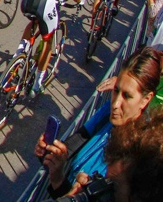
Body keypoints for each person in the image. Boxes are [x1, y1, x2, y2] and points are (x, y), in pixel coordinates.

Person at [35, 47, 161, 199]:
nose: (116, 103)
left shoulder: (139, 152)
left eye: (127, 96)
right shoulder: (108, 111)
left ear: (146, 100)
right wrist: (53, 153)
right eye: (116, 90)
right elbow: (78, 140)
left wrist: (60, 181)